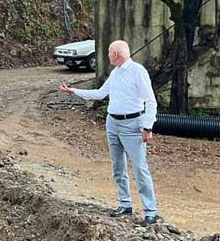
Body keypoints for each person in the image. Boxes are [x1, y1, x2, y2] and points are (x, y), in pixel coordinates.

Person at [59, 40, 160, 227]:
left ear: (115, 54)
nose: (107, 55)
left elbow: (151, 101)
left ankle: (150, 211)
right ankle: (125, 203)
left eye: (108, 52)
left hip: (132, 125)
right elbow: (100, 93)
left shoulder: (138, 71)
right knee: (118, 166)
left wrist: (147, 127)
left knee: (140, 168)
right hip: (112, 123)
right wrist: (73, 91)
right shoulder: (116, 73)